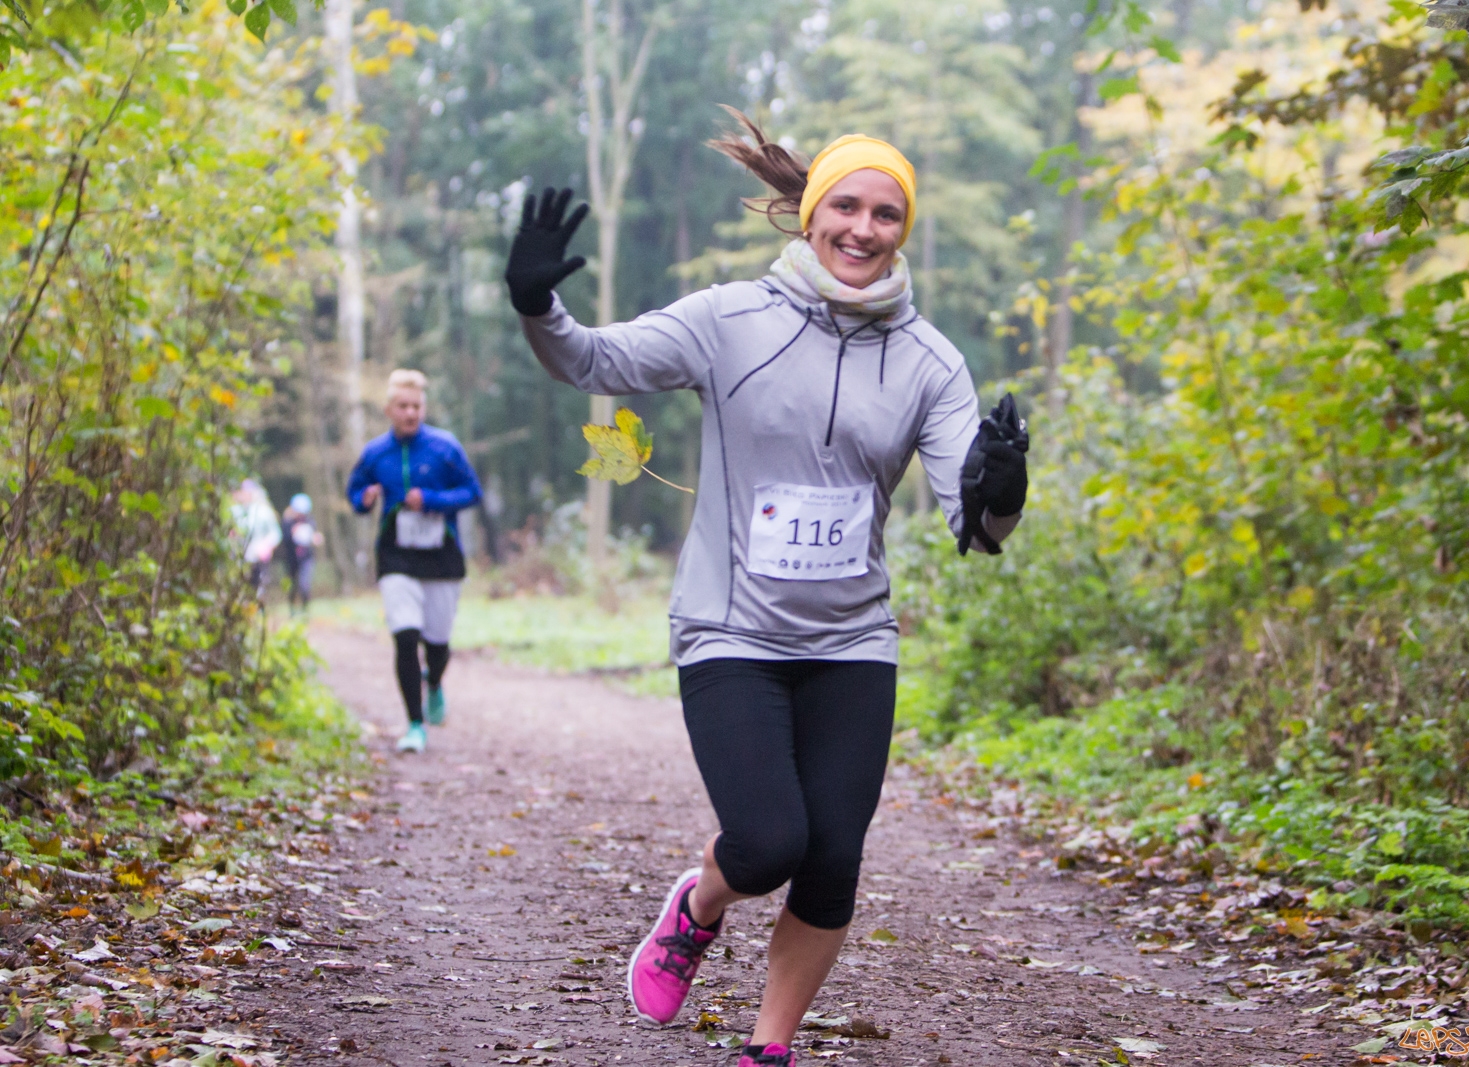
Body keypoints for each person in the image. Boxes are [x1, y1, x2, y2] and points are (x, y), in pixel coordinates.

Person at [505, 113, 1029, 1067]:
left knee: (832, 858)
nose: (863, 229)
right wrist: (538, 304)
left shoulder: (931, 364)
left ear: (903, 229)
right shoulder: (727, 320)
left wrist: (1001, 494)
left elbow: (975, 527)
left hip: (852, 643)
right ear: (809, 214)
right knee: (771, 839)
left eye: (886, 213)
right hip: (731, 627)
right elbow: (593, 360)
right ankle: (697, 905)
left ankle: (767, 1047)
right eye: (846, 206)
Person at [346, 369, 483, 754]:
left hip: (442, 555)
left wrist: (434, 500)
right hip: (396, 556)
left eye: (416, 406)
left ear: (424, 407)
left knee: (437, 642)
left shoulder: (445, 447)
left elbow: (473, 492)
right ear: (389, 409)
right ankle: (415, 725)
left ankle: (434, 683)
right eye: (403, 406)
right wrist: (365, 500)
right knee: (405, 636)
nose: (410, 413)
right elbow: (354, 492)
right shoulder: (375, 453)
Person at [230, 479, 282, 602]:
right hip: (238, 557)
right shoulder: (234, 511)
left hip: (258, 558)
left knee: (258, 587)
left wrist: (266, 546)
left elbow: (275, 534)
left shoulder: (263, 511)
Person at [279, 493, 323, 614]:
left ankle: (305, 611)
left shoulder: (310, 522)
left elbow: (315, 537)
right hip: (291, 559)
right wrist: (293, 533)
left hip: (306, 558)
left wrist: (315, 539)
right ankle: (292, 611)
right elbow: (284, 539)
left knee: (305, 585)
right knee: (292, 585)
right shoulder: (287, 522)